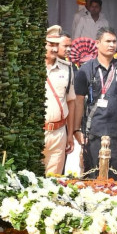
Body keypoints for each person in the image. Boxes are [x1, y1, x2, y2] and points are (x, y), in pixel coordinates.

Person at [73, 29, 117, 178]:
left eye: (114, 41)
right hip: (93, 132)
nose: (112, 45)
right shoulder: (86, 69)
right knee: (92, 177)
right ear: (97, 43)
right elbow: (78, 102)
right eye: (108, 41)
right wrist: (76, 130)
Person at [43, 29, 75, 176]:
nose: (55, 49)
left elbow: (71, 103)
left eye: (57, 44)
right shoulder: (29, 67)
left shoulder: (67, 69)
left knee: (54, 182)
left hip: (59, 132)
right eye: (51, 44)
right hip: (37, 132)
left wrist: (70, 135)